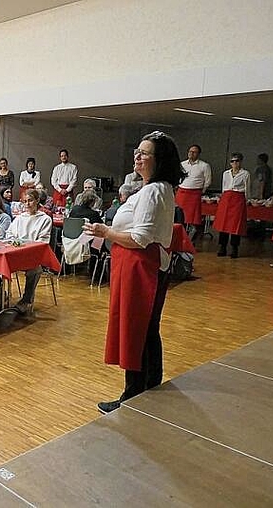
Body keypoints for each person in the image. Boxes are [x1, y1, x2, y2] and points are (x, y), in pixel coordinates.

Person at [83, 131, 184, 414]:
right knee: (146, 329)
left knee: (136, 328)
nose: (137, 157)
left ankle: (134, 393)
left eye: (144, 153)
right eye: (136, 151)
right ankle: (148, 386)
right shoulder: (155, 188)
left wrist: (105, 231)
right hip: (137, 264)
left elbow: (140, 238)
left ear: (159, 159)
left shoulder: (154, 191)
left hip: (141, 265)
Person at [6, 189, 53, 314]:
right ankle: (0, 296)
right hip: (16, 253)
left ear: (37, 201)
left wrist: (25, 245)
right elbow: (9, 234)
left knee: (35, 270)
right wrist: (14, 242)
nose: (27, 204)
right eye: (25, 201)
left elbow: (43, 242)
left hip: (33, 256)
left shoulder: (45, 219)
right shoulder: (19, 218)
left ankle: (26, 301)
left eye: (30, 201)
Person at [214, 152, 250, 258]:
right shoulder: (226, 173)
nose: (234, 163)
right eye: (232, 161)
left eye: (237, 161)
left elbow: (247, 189)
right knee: (223, 224)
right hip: (226, 198)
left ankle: (234, 247)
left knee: (236, 225)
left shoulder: (245, 174)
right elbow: (224, 187)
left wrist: (246, 200)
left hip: (238, 199)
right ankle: (222, 246)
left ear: (241, 162)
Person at [177, 144, 212, 239]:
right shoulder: (182, 164)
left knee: (193, 220)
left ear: (198, 154)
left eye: (194, 152)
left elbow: (207, 181)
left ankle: (191, 240)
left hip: (194, 194)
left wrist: (201, 191)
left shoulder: (204, 166)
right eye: (190, 151)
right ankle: (180, 239)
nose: (191, 153)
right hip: (181, 193)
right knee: (180, 218)